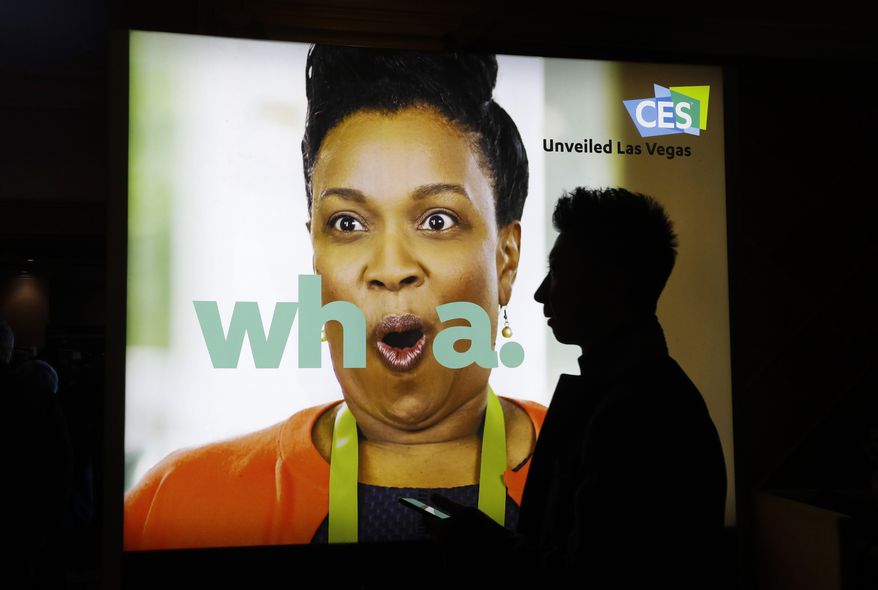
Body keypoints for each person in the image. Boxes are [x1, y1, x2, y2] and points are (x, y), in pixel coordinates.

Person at [124, 45, 546, 550]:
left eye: (437, 220)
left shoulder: (618, 473)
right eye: (347, 224)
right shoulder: (176, 503)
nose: (391, 269)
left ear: (506, 258)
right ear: (315, 258)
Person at [426, 187, 728, 589]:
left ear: (610, 284)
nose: (539, 293)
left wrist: (485, 544)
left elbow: (589, 577)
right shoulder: (646, 395)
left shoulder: (635, 413)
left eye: (559, 271)